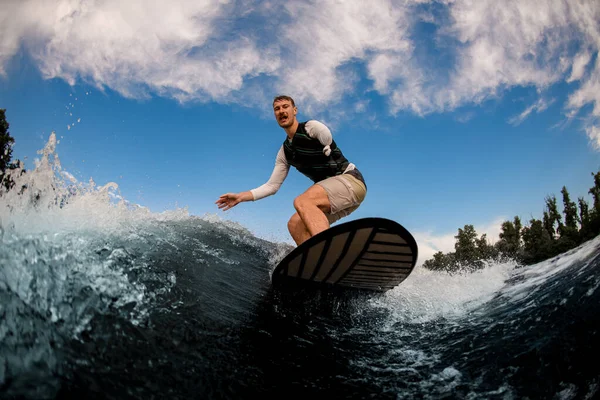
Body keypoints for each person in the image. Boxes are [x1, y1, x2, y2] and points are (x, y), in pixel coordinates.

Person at [216, 95, 367, 246]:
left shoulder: (310, 128)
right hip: (339, 199)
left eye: (285, 107)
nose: (281, 111)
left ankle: (326, 251)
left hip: (351, 182)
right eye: (277, 109)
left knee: (302, 201)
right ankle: (317, 263)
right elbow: (271, 186)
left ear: (294, 110)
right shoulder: (284, 153)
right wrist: (240, 197)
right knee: (295, 224)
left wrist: (326, 142)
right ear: (275, 115)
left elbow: (325, 134)